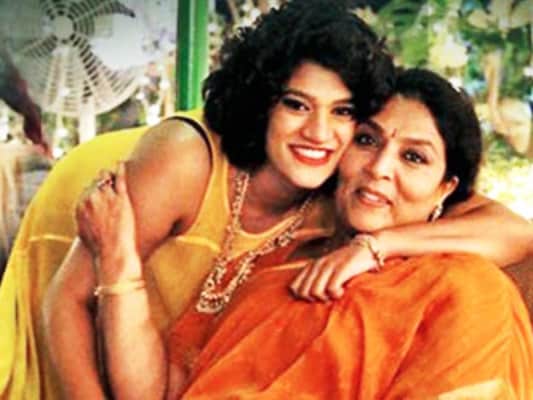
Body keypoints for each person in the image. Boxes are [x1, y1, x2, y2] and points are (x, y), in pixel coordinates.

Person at [0, 1, 529, 399]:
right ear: (263, 101)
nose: (320, 133)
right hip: (86, 226)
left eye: (344, 113)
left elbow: (515, 232)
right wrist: (116, 259)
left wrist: (376, 246)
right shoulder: (185, 159)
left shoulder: (353, 187)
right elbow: (66, 301)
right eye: (297, 104)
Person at [90, 68, 529, 398]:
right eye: (366, 141)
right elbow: (157, 391)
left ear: (446, 188)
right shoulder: (268, 261)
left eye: (413, 157)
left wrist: (375, 247)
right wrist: (117, 259)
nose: (379, 168)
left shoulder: (462, 289)